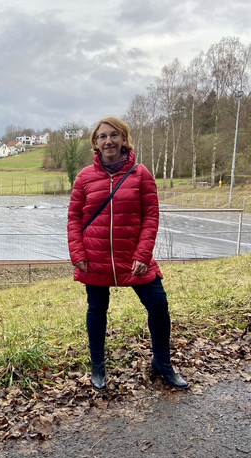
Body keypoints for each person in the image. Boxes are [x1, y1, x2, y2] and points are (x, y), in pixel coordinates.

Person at [67, 116, 188, 391]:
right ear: (95, 144)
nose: (108, 140)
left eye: (114, 135)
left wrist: (143, 255)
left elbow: (151, 217)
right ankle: (98, 367)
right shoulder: (84, 177)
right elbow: (74, 217)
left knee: (158, 306)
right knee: (97, 310)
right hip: (94, 257)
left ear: (124, 139)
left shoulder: (141, 173)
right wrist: (77, 252)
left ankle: (162, 364)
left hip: (134, 258)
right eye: (102, 137)